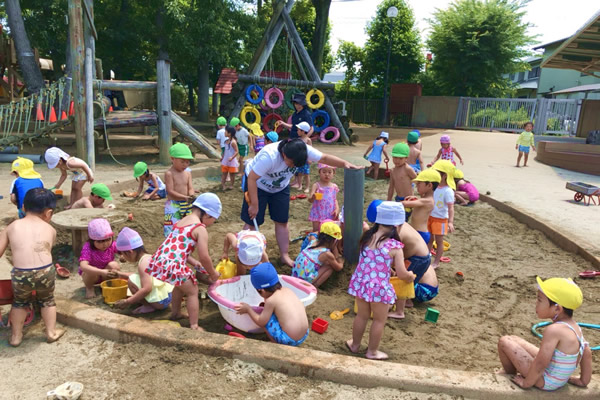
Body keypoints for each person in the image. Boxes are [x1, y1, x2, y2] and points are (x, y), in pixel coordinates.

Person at [241, 138, 359, 267]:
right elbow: (252, 178)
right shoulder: (269, 156)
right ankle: (245, 255)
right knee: (253, 221)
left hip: (280, 187)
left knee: (282, 221)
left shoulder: (303, 150)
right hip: (257, 185)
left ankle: (284, 256)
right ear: (284, 155)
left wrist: (345, 163)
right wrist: (254, 204)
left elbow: (324, 158)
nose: (292, 167)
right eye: (291, 163)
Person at [346, 201, 414, 360]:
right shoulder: (395, 246)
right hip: (380, 288)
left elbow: (371, 261)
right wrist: (410, 276)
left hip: (362, 283)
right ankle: (372, 352)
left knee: (361, 316)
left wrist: (385, 268)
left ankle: (355, 345)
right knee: (378, 320)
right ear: (397, 225)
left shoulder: (366, 237)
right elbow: (402, 274)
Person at [497, 277, 592, 391]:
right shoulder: (575, 328)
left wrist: (526, 383)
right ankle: (514, 370)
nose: (536, 303)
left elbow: (541, 363)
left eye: (540, 300)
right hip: (556, 377)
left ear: (557, 309)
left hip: (546, 381)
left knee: (504, 341)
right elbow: (586, 352)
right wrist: (583, 381)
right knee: (513, 339)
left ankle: (509, 373)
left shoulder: (553, 330)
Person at [146, 193, 222, 330]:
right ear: (208, 215)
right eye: (214, 220)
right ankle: (194, 325)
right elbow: (204, 257)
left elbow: (177, 248)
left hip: (161, 260)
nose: (212, 223)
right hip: (172, 264)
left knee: (179, 285)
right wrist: (212, 273)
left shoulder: (181, 221)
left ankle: (176, 313)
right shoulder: (200, 228)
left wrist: (193, 262)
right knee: (192, 290)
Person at [0, 188, 64, 346]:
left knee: (20, 303)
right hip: (46, 270)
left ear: (23, 207)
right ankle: (51, 332)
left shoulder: (11, 227)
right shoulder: (51, 229)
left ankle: (16, 337)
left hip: (21, 273)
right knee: (48, 300)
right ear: (48, 213)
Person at [235, 262, 309, 346]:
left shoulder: (271, 300)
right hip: (304, 335)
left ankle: (275, 344)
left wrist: (248, 309)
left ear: (261, 290)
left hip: (289, 340)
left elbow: (261, 322)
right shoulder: (287, 290)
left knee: (266, 320)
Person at [113, 228, 174, 314]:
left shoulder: (143, 264)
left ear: (130, 252)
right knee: (135, 277)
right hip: (168, 297)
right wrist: (119, 274)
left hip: (160, 303)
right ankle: (152, 303)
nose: (122, 257)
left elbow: (147, 288)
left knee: (131, 280)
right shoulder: (148, 257)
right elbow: (141, 276)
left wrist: (128, 301)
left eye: (123, 254)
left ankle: (148, 306)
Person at [79, 218, 121, 299]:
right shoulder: (88, 248)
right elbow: (83, 266)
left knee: (114, 265)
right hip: (93, 277)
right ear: (92, 241)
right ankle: (90, 288)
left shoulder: (112, 245)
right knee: (90, 271)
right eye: (100, 241)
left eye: (108, 239)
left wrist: (122, 256)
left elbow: (121, 250)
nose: (105, 244)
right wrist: (101, 272)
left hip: (107, 274)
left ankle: (106, 284)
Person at [292, 221, 343, 287]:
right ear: (333, 241)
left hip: (295, 275)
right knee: (330, 266)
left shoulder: (312, 241)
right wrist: (341, 261)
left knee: (319, 263)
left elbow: (312, 234)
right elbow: (338, 268)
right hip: (304, 282)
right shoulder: (326, 254)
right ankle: (314, 285)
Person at [400, 169, 440, 245]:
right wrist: (414, 199)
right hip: (417, 232)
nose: (416, 186)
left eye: (419, 184)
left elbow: (404, 204)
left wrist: (395, 204)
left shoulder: (428, 201)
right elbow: (420, 202)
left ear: (429, 185)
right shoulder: (425, 200)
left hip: (421, 233)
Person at [164, 143, 195, 237]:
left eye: (187, 162)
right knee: (172, 230)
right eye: (182, 162)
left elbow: (190, 187)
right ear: (172, 159)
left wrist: (191, 195)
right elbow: (170, 191)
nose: (185, 164)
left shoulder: (188, 173)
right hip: (174, 204)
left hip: (186, 203)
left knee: (188, 227)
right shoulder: (169, 173)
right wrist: (184, 197)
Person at [429, 160, 456, 269]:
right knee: (429, 239)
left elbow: (451, 208)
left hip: (440, 219)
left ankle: (436, 262)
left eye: (437, 173)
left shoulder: (448, 191)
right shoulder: (434, 186)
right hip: (430, 217)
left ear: (444, 176)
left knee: (439, 241)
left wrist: (450, 222)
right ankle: (427, 257)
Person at [387, 143, 417, 221]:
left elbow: (418, 181)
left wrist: (419, 195)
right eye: (395, 158)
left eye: (400, 158)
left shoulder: (408, 169)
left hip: (408, 199)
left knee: (403, 219)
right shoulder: (393, 170)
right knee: (397, 218)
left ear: (406, 158)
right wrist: (388, 201)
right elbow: (391, 187)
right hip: (398, 198)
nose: (397, 160)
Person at [308, 163, 340, 231]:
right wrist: (313, 197)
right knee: (317, 231)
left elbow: (335, 199)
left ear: (333, 173)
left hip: (330, 213)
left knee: (329, 231)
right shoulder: (316, 185)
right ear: (319, 172)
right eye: (324, 172)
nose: (327, 174)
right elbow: (310, 200)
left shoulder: (334, 186)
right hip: (318, 212)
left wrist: (337, 209)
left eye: (329, 172)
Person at [291, 121, 313, 193]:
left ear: (303, 131)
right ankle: (300, 185)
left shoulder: (308, 140)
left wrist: (310, 159)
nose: (297, 131)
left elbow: (310, 151)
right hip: (300, 160)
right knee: (299, 173)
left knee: (306, 174)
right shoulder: (298, 140)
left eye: (298, 130)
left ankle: (307, 187)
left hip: (306, 160)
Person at [221, 126, 239, 191]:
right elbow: (225, 151)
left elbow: (237, 151)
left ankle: (231, 185)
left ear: (230, 133)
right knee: (224, 173)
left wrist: (232, 157)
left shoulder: (233, 142)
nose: (224, 132)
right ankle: (223, 185)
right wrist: (222, 156)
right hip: (226, 160)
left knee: (232, 174)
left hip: (231, 161)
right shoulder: (226, 141)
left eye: (225, 131)